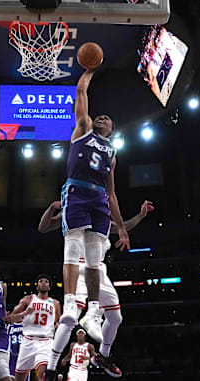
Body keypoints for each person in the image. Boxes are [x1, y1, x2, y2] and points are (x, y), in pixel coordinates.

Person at [40, 199, 153, 378]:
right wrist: (52, 207)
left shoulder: (103, 218)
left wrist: (140, 215)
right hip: (78, 269)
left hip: (99, 271)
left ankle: (102, 356)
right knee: (70, 318)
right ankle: (52, 367)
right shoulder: (76, 210)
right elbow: (44, 227)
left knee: (116, 318)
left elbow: (123, 226)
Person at [59, 69, 130, 342]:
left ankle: (92, 311)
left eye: (107, 119)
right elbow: (80, 93)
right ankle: (68, 304)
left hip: (100, 200)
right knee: (72, 246)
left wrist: (122, 228)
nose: (102, 118)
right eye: (100, 115)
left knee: (94, 261)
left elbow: (112, 193)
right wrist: (88, 72)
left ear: (112, 130)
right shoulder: (82, 130)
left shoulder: (112, 153)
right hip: (77, 191)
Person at [4, 275, 61, 381]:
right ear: (37, 286)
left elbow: (57, 323)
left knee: (43, 375)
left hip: (46, 341)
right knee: (19, 378)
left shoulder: (55, 303)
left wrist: (58, 326)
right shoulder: (28, 300)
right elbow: (10, 319)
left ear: (49, 287)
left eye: (46, 282)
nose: (43, 283)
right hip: (28, 341)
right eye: (41, 281)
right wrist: (25, 313)